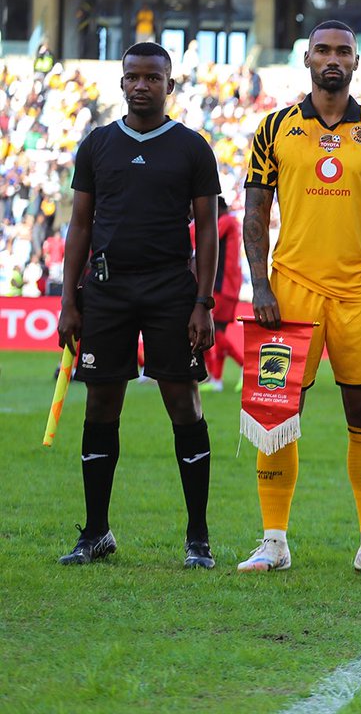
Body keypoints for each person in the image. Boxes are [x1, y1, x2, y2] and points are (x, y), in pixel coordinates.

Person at [237, 20, 361, 575]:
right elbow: (255, 211)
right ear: (307, 59)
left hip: (357, 292)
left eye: (343, 51)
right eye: (322, 50)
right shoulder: (274, 128)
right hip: (289, 290)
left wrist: (358, 247)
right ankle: (273, 541)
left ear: (356, 62)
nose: (332, 58)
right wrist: (260, 284)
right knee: (276, 412)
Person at [56, 41, 219, 569]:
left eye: (153, 77)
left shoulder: (192, 147)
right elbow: (80, 224)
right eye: (133, 77)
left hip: (171, 289)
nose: (142, 85)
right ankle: (96, 533)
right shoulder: (97, 144)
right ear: (121, 82)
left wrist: (203, 301)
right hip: (107, 290)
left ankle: (198, 539)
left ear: (170, 85)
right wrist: (69, 300)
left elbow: (208, 230)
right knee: (101, 404)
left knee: (183, 403)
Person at [196, 196, 243, 392]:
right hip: (228, 285)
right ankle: (216, 379)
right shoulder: (232, 222)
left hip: (224, 286)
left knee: (215, 331)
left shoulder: (227, 221)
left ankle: (244, 365)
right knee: (219, 331)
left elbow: (201, 235)